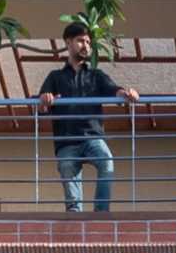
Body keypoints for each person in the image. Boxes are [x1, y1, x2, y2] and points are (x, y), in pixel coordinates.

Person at [37, 23, 140, 215]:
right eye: (80, 41)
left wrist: (127, 94)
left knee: (106, 160)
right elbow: (41, 105)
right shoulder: (55, 77)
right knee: (68, 174)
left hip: (92, 137)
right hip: (66, 141)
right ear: (68, 42)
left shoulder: (96, 75)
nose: (86, 45)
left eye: (88, 42)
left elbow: (114, 90)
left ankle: (101, 213)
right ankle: (75, 216)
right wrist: (44, 100)